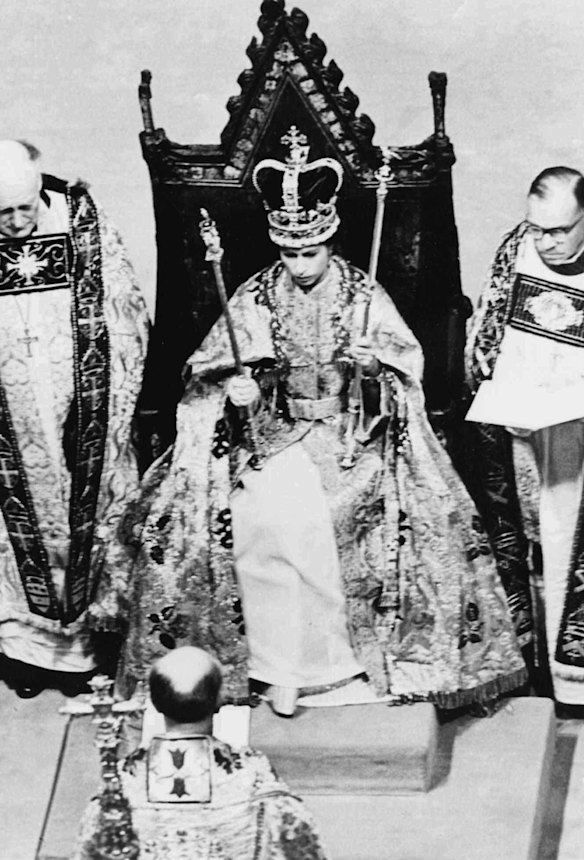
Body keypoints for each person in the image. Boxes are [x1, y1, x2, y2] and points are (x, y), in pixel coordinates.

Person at [114, 126, 526, 715]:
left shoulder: (361, 293)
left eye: (311, 252)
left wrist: (374, 370)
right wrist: (237, 388)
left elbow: (406, 370)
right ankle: (276, 667)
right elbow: (207, 367)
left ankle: (342, 663)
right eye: (289, 253)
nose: (301, 265)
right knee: (254, 515)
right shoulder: (257, 295)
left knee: (330, 516)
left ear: (330, 242)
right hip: (277, 435)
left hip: (352, 436)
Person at [0, 140, 149, 697]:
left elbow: (125, 307)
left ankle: (97, 646)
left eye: (25, 207)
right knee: (21, 531)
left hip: (85, 413)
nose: (17, 222)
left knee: (90, 516)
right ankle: (29, 655)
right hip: (9, 421)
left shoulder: (80, 220)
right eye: (4, 214)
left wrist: (107, 398)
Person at [466, 166, 584, 708]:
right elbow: (487, 332)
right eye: (538, 229)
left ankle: (574, 680)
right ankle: (536, 671)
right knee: (526, 540)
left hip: (578, 427)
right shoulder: (518, 245)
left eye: (560, 230)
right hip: (520, 421)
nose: (546, 242)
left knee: (568, 539)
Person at [73, 646, 329, 860]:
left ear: (155, 702)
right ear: (220, 699)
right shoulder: (254, 776)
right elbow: (298, 845)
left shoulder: (121, 783)